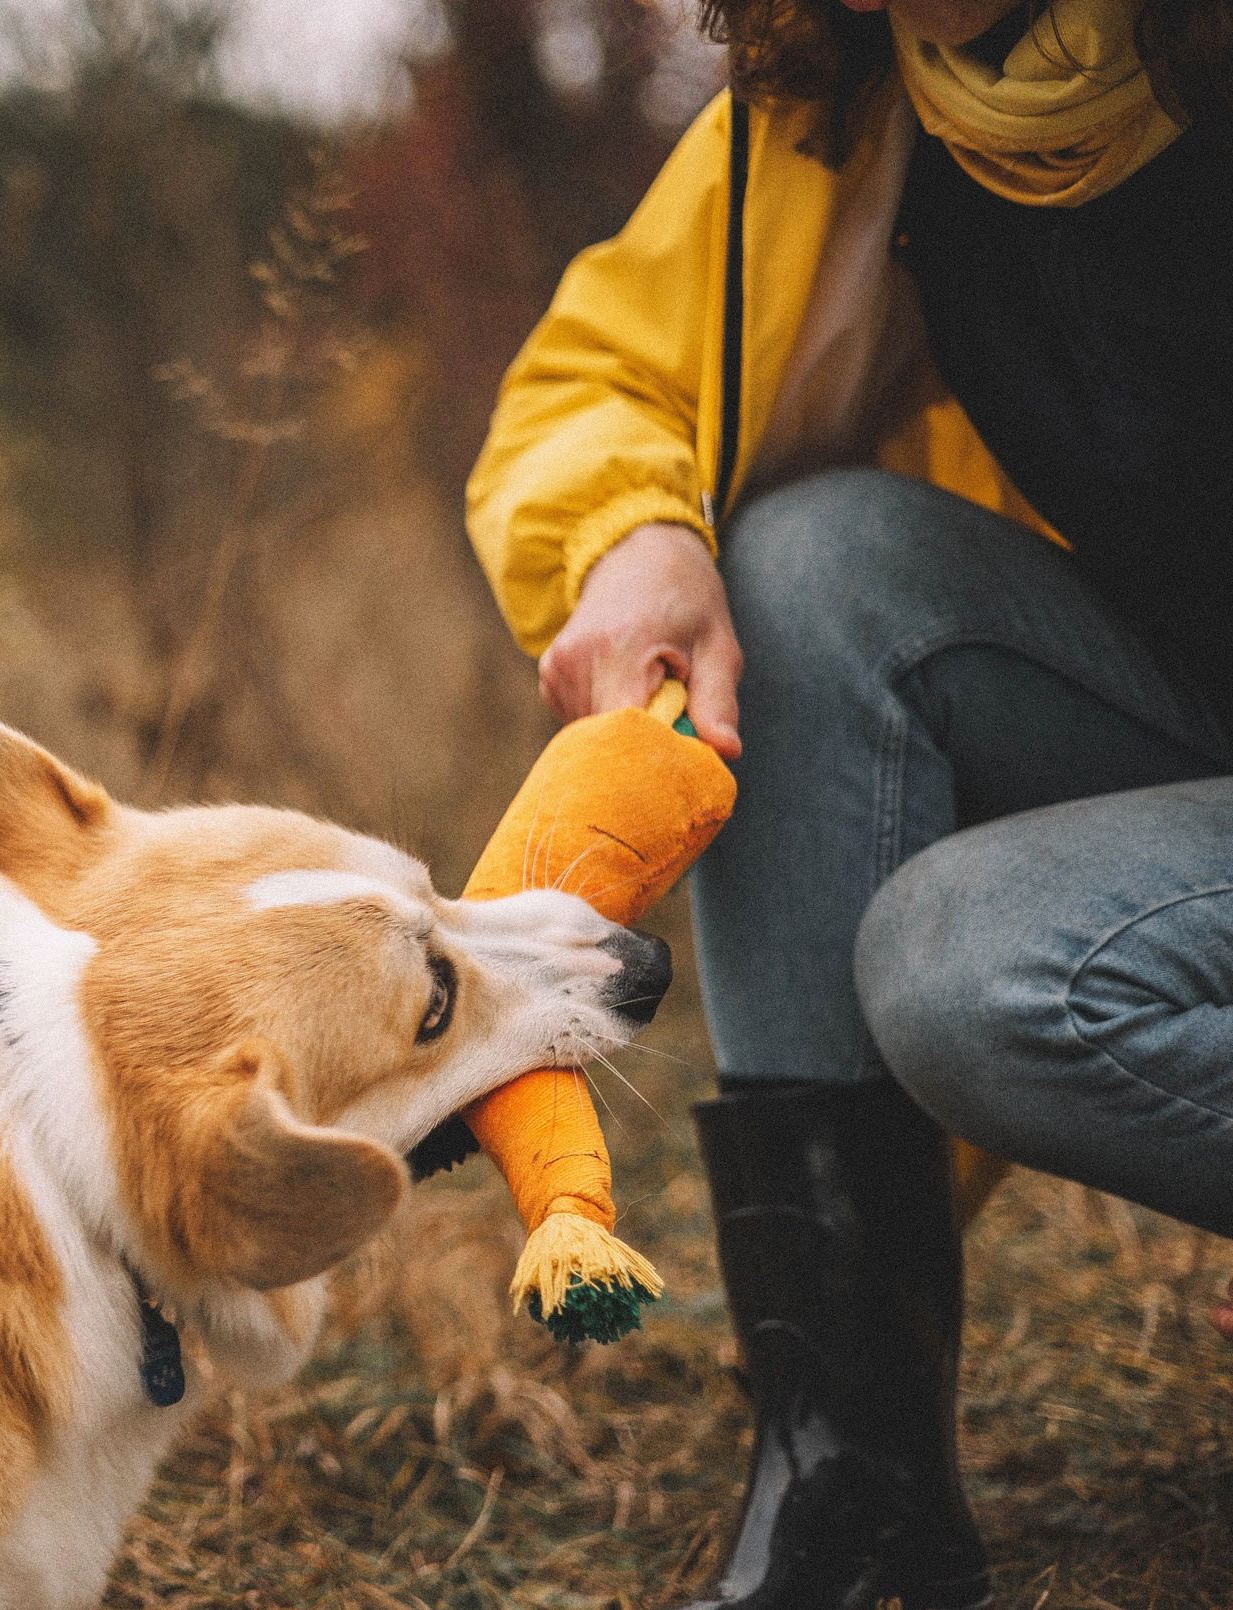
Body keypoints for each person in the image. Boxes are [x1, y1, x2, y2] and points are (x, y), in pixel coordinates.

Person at [462, 0, 1231, 1600]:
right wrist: (631, 533)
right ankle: (854, 1479)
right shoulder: (867, 111)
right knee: (798, 559)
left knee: (979, 961)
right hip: (1188, 743)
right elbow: (594, 379)